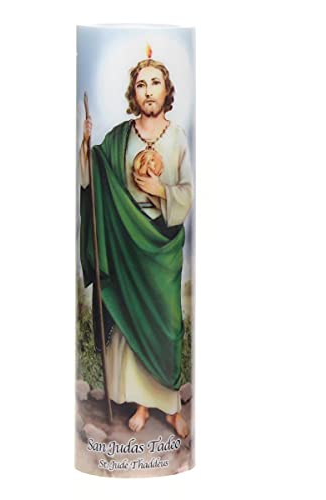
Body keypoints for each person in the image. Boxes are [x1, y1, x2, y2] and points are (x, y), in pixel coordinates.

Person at [79, 56, 193, 438]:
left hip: (161, 244)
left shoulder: (177, 138)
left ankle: (172, 407)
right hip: (126, 242)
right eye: (141, 84)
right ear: (134, 93)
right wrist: (86, 146)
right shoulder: (119, 138)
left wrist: (159, 190)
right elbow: (95, 176)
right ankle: (142, 405)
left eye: (155, 83)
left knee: (167, 326)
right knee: (131, 327)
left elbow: (188, 193)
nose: (148, 91)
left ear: (166, 90)